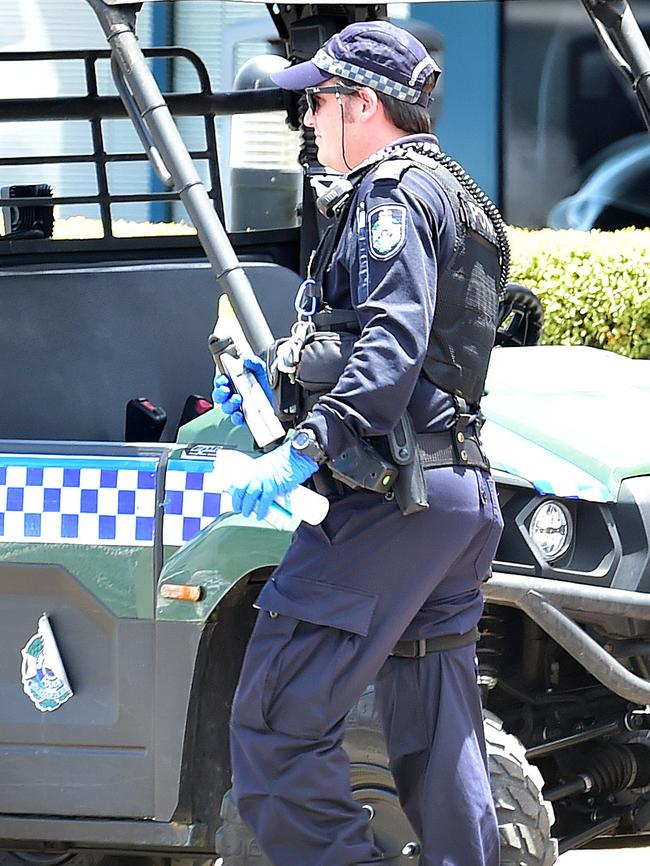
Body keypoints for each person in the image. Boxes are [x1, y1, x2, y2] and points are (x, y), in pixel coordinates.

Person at [213, 19, 505, 866]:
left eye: (316, 99)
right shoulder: (452, 192)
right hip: (455, 498)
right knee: (440, 738)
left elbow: (389, 347)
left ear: (361, 103)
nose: (307, 119)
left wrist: (302, 448)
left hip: (386, 503)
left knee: (273, 728)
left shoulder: (389, 194)